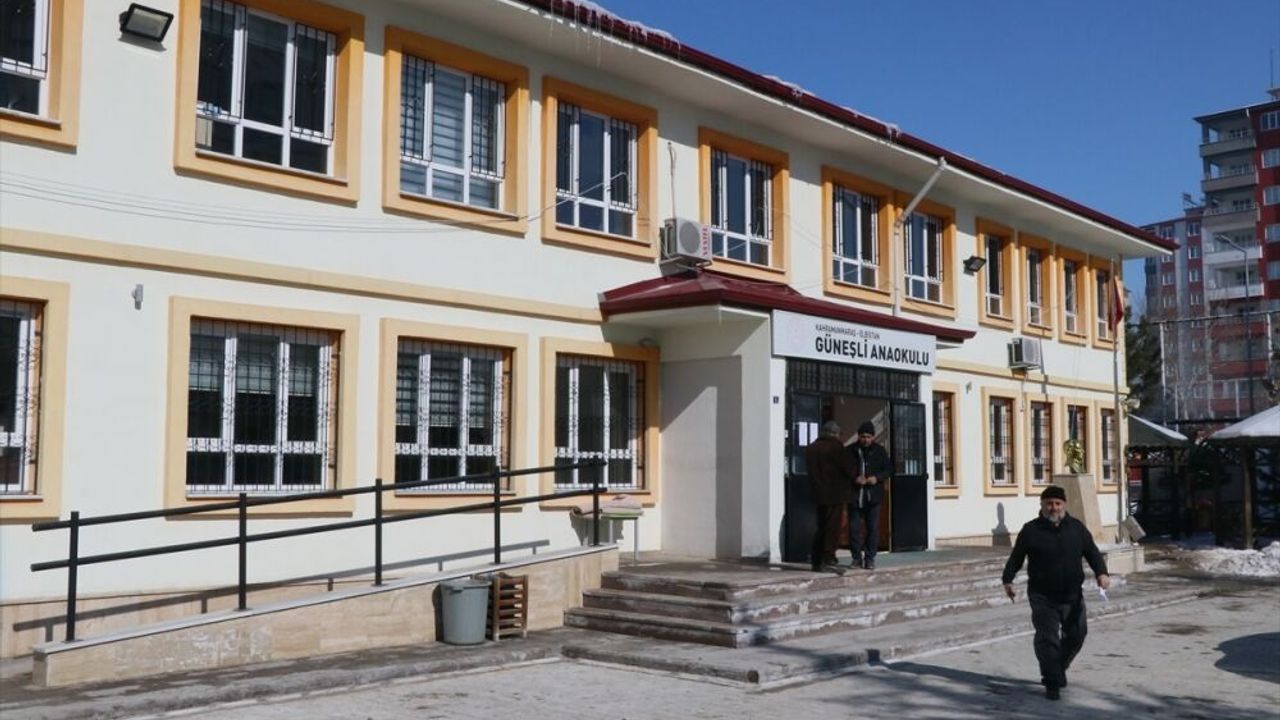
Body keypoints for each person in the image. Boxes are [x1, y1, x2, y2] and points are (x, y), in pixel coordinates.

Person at [1001, 485, 1111, 700]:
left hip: (1072, 594)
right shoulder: (1031, 530)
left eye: (1057, 503)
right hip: (1042, 595)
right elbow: (1016, 558)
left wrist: (1102, 573)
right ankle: (1052, 681)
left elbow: (1092, 552)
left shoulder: (1076, 528)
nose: (1053, 508)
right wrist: (1008, 580)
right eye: (1049, 503)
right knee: (1047, 638)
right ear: (1042, 505)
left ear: (1064, 505)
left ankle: (1058, 667)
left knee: (1077, 634)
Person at [805, 420, 855, 575]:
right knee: (832, 528)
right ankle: (828, 558)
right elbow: (848, 468)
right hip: (835, 494)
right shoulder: (836, 447)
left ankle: (816, 560)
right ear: (835, 434)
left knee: (821, 527)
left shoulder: (812, 448)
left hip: (818, 494)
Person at [847, 421, 890, 570]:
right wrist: (854, 478)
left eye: (868, 437)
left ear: (873, 437)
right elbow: (843, 469)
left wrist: (876, 478)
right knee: (854, 529)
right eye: (863, 436)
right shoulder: (850, 451)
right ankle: (856, 558)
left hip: (873, 497)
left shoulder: (879, 451)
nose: (865, 440)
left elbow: (888, 469)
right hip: (854, 496)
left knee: (872, 529)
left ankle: (870, 558)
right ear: (858, 436)